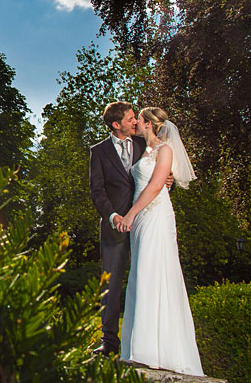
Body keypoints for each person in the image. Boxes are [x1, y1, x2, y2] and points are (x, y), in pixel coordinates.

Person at [115, 107, 203, 376]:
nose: (135, 123)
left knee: (155, 274)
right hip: (141, 219)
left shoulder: (165, 150)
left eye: (138, 119)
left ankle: (154, 350)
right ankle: (138, 347)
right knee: (141, 276)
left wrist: (130, 214)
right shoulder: (142, 149)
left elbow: (155, 186)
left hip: (155, 216)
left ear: (148, 124)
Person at [88, 101, 147, 356]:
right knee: (110, 284)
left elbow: (158, 176)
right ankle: (109, 340)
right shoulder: (98, 151)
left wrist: (169, 180)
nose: (135, 122)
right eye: (131, 118)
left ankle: (142, 341)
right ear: (116, 124)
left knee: (145, 280)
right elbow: (97, 191)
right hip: (114, 229)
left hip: (145, 223)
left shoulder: (145, 145)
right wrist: (113, 217)